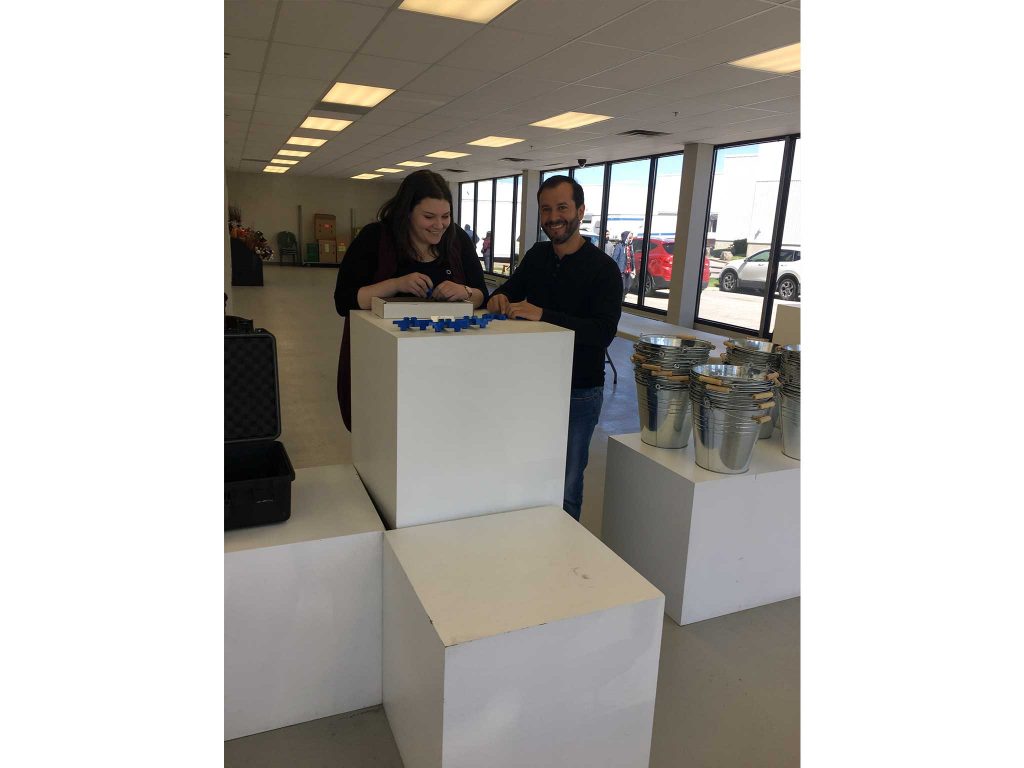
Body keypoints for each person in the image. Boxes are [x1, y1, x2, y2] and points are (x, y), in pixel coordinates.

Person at [486, 175, 621, 522]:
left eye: (562, 208)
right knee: (525, 476)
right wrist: (498, 297)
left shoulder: (604, 269)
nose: (553, 217)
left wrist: (544, 314)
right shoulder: (537, 256)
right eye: (546, 209)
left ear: (580, 211)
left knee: (567, 485)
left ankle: (566, 547)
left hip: (579, 391)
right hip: (531, 387)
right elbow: (509, 290)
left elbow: (602, 333)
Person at [334, 170, 488, 431]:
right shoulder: (375, 238)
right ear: (406, 212)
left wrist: (464, 291)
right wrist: (395, 285)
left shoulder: (457, 240)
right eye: (428, 217)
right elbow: (343, 300)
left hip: (447, 366)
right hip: (384, 365)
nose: (439, 225)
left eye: (445, 216)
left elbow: (482, 295)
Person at [612, 230, 635, 300]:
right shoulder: (619, 246)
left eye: (631, 238)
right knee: (622, 287)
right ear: (626, 238)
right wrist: (616, 270)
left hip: (628, 270)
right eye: (630, 238)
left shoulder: (630, 247)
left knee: (627, 287)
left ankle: (622, 297)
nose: (631, 239)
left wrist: (633, 268)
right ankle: (621, 300)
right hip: (621, 270)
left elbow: (632, 258)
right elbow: (614, 259)